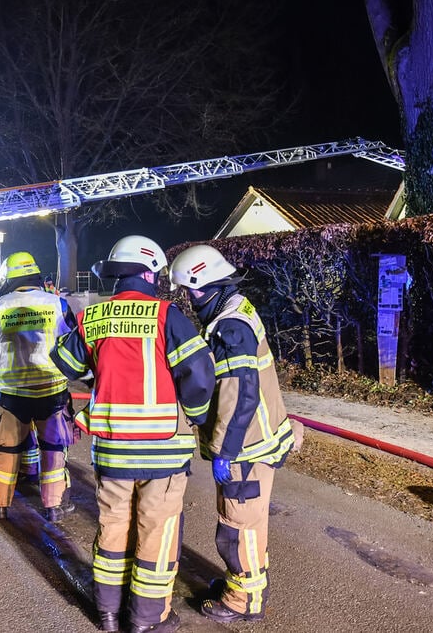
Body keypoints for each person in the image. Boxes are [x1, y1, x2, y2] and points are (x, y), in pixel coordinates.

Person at [50, 236, 215, 633]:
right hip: (161, 453)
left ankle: (107, 613)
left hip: (112, 451)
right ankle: (146, 618)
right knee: (155, 532)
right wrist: (195, 415)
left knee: (113, 528)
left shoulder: (94, 317)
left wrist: (101, 363)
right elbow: (198, 375)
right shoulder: (166, 315)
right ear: (147, 272)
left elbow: (65, 363)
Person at [169, 244, 300, 624]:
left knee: (236, 527)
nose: (190, 301)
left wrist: (224, 450)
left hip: (244, 449)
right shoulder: (237, 309)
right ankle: (246, 588)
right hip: (257, 441)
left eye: (190, 291)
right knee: (251, 525)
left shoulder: (229, 327)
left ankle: (241, 602)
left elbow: (241, 392)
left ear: (206, 283)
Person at [0, 251, 78, 522]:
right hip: (51, 389)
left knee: (7, 450)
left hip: (11, 393)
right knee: (53, 449)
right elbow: (75, 346)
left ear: (9, 277)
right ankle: (54, 506)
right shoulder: (58, 304)